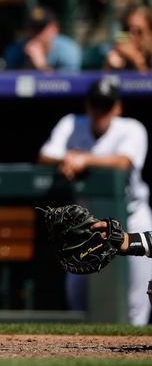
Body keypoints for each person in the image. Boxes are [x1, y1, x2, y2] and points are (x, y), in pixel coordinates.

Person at [38, 77, 152, 326]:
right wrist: (68, 159)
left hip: (132, 218)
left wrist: (84, 160)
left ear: (117, 107)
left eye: (106, 105)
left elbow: (124, 162)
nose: (100, 111)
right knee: (77, 292)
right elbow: (46, 155)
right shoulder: (71, 123)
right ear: (87, 105)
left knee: (139, 298)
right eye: (95, 104)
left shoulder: (132, 128)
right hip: (91, 226)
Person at [2, 6, 82, 71]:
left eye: (41, 28)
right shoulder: (15, 51)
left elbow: (67, 86)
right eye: (32, 27)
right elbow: (11, 85)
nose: (36, 33)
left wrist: (41, 66)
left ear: (54, 29)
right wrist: (28, 64)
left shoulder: (68, 51)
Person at [104, 6, 152, 72]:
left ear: (149, 33)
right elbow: (103, 80)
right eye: (127, 29)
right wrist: (109, 65)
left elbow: (147, 80)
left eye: (139, 31)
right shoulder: (119, 51)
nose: (131, 36)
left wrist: (136, 60)